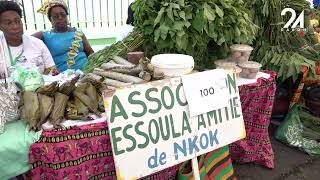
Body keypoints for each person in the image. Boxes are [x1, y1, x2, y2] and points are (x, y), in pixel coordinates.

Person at [0, 0, 58, 78]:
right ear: (1, 27)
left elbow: (52, 70)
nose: (15, 26)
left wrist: (52, 74)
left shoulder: (37, 44)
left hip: (41, 89)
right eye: (9, 23)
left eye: (18, 21)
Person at [33, 0, 94, 72]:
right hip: (64, 78)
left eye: (63, 15)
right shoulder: (44, 35)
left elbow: (90, 53)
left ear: (67, 16)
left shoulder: (78, 32)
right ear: (50, 20)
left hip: (87, 72)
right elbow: (24, 40)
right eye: (55, 16)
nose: (60, 18)